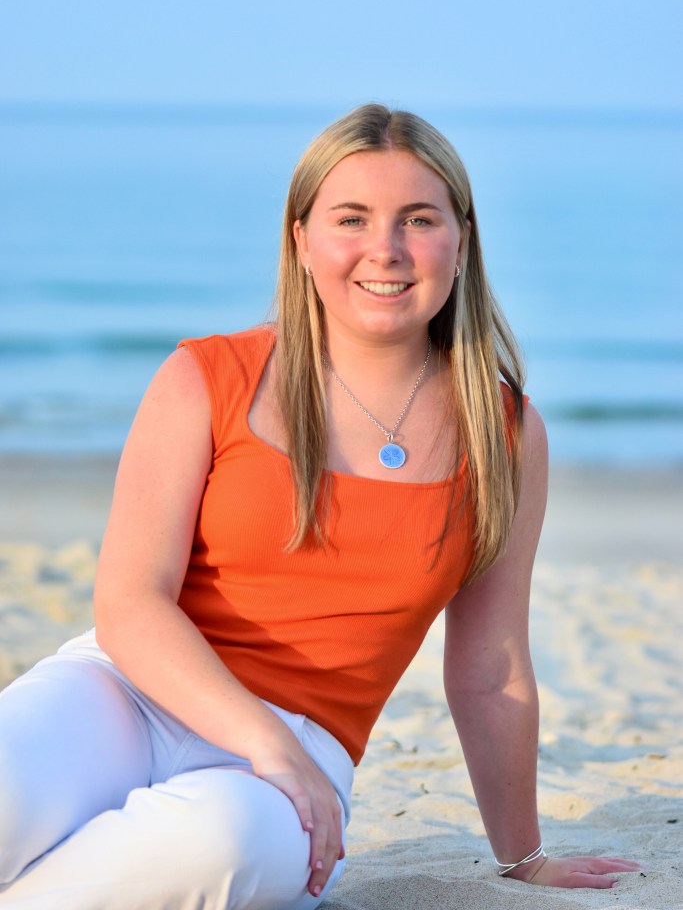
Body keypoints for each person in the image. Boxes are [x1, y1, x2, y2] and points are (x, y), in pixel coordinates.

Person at [0, 104, 639, 909]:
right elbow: (130, 604)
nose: (386, 248)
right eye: (351, 218)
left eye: (419, 219)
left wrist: (524, 857)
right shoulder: (207, 378)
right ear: (301, 240)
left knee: (216, 847)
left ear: (461, 241)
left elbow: (491, 667)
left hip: (299, 758)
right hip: (125, 695)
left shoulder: (503, 433)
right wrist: (260, 737)